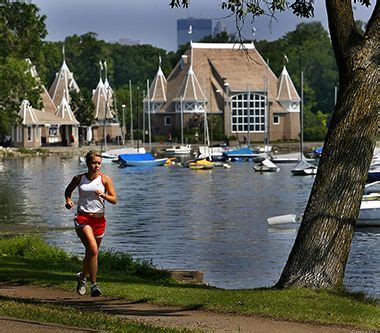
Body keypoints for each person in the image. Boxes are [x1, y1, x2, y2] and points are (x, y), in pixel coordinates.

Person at [64, 150, 117, 297]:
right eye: (94, 163)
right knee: (93, 250)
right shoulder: (79, 178)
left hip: (99, 220)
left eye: (99, 163)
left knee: (92, 253)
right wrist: (68, 201)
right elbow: (68, 191)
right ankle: (94, 285)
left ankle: (82, 277)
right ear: (88, 163)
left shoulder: (105, 179)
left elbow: (114, 200)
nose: (97, 166)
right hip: (83, 218)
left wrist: (104, 195)